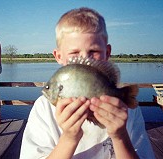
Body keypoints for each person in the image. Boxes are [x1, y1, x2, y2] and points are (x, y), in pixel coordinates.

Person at [20, 7, 155, 159]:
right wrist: (69, 138)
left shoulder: (124, 109)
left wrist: (120, 135)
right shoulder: (43, 109)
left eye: (93, 51)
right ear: (58, 56)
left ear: (107, 53)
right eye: (74, 53)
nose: (86, 61)